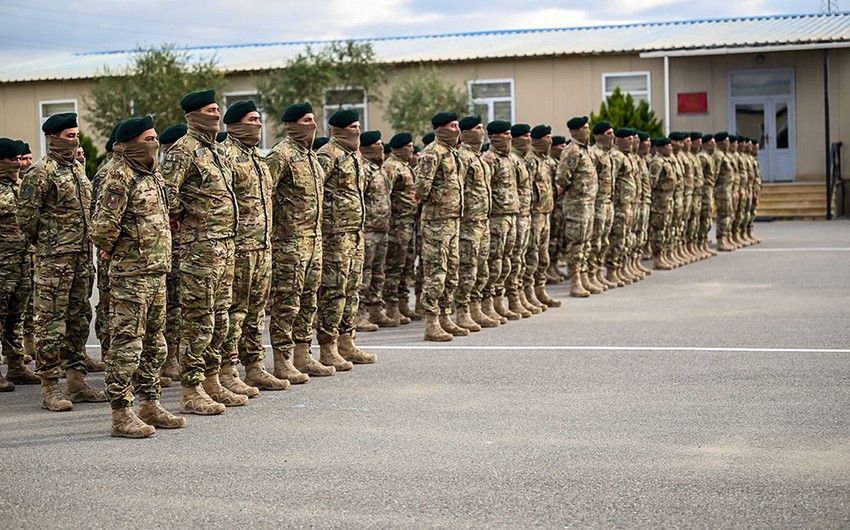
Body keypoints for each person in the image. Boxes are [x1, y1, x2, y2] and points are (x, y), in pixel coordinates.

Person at [91, 115, 186, 437]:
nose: (155, 144)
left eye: (156, 138)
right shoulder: (119, 177)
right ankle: (121, 413)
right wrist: (120, 253)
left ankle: (150, 403)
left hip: (156, 273)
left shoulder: (152, 175)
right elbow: (103, 228)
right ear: (131, 143)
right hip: (131, 276)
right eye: (149, 139)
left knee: (155, 344)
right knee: (127, 345)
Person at [162, 89, 244, 415]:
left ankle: (212, 381)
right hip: (199, 249)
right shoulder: (184, 151)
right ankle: (190, 390)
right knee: (197, 322)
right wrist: (186, 219)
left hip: (224, 246)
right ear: (194, 115)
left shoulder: (216, 152)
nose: (217, 114)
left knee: (220, 319)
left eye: (217, 109)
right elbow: (167, 193)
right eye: (210, 110)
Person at [17, 112, 105, 411]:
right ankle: (50, 387)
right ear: (53, 138)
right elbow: (25, 217)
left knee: (79, 320)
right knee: (51, 324)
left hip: (81, 258)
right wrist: (47, 244)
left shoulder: (78, 170)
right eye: (70, 135)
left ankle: (77, 383)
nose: (76, 140)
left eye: (76, 135)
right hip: (54, 261)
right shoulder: (41, 172)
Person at [219, 100, 288, 393]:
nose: (258, 124)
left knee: (256, 311)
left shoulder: (258, 158)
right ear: (236, 124)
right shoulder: (226, 156)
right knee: (233, 312)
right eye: (252, 119)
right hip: (238, 248)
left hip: (262, 246)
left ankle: (255, 367)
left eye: (260, 119)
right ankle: (227, 370)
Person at [265, 102, 333, 383]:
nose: (313, 124)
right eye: (307, 120)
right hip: (289, 243)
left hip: (313, 241)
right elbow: (264, 195)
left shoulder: (312, 158)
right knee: (287, 303)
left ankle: (304, 354)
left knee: (308, 300)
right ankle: (282, 360)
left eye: (313, 119)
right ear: (292, 125)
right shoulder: (281, 155)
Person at [316, 108, 376, 365]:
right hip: (335, 235)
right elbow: (316, 194)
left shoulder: (354, 157)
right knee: (334, 291)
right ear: (339, 130)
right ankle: (328, 348)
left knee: (352, 290)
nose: (358, 131)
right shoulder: (327, 155)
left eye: (358, 126)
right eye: (353, 127)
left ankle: (347, 342)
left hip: (354, 233)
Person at [415, 111, 465, 341]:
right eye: (452, 126)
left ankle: (446, 316)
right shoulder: (431, 154)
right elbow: (421, 189)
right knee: (436, 272)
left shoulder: (452, 153)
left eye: (457, 125)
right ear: (441, 129)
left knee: (451, 271)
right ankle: (431, 322)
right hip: (436, 223)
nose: (456, 129)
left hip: (452, 221)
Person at [0, 138, 39, 390]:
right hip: (1, 266)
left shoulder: (21, 186)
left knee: (16, 316)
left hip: (23, 263)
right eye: (11, 160)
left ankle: (15, 366)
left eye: (18, 160)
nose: (17, 163)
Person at [455, 115, 495, 331]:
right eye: (477, 128)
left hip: (482, 220)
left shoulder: (479, 158)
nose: (481, 131)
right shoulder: (463, 157)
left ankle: (476, 307)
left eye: (482, 128)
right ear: (467, 132)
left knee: (481, 267)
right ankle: (462, 312)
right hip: (468, 222)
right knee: (467, 268)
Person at [156, 123, 187, 382]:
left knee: (178, 307)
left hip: (183, 247)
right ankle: (168, 359)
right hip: (171, 247)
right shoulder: (167, 172)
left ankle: (175, 356)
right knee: (168, 307)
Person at [358, 130, 397, 329]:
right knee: (363, 273)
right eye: (376, 144)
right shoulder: (363, 169)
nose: (381, 147)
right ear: (366, 147)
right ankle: (358, 314)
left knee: (378, 272)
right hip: (368, 229)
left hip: (382, 228)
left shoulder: (379, 169)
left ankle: (375, 310)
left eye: (382, 143)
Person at [555, 116, 598, 297]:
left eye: (588, 128)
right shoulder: (572, 151)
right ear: (575, 131)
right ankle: (575, 282)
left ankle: (585, 277)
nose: (587, 131)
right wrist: (571, 190)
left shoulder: (585, 151)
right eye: (584, 128)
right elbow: (562, 177)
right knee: (576, 245)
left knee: (586, 243)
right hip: (576, 205)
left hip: (588, 203)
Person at [481, 120, 518, 324]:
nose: (509, 137)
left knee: (506, 260)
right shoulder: (489, 159)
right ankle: (488, 304)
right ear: (495, 137)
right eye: (505, 134)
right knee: (493, 262)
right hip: (495, 217)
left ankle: (499, 302)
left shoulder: (509, 158)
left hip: (511, 214)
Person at [381, 132, 419, 324]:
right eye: (409, 146)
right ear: (401, 148)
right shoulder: (391, 167)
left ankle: (403, 304)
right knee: (394, 267)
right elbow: (384, 196)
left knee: (406, 266)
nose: (412, 149)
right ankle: (391, 306)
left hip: (408, 223)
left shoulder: (405, 167)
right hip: (396, 225)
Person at [524, 124, 561, 308]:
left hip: (545, 212)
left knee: (543, 255)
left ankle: (540, 290)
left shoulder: (544, 160)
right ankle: (529, 292)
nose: (550, 141)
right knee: (532, 255)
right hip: (534, 213)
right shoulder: (530, 160)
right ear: (538, 140)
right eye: (547, 137)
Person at [587, 120, 616, 291]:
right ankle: (590, 274)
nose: (611, 136)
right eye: (608, 133)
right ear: (598, 136)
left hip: (607, 202)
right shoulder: (594, 154)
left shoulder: (608, 154)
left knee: (603, 241)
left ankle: (598, 272)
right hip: (596, 203)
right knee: (594, 241)